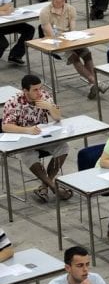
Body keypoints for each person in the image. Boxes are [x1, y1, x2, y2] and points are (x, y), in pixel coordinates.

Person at [3, 74, 70, 202]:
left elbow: (58, 117)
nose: (39, 92)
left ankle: (45, 186)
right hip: (22, 140)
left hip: (42, 136)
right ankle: (54, 187)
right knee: (28, 155)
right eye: (35, 90)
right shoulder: (13, 102)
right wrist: (27, 130)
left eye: (40, 88)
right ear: (25, 91)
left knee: (63, 147)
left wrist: (49, 107)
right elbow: (6, 126)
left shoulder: (44, 97)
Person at [39, 0, 104, 99]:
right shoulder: (45, 12)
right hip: (54, 43)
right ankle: (95, 81)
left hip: (70, 39)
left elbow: (73, 29)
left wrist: (74, 38)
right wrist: (65, 40)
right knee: (74, 57)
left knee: (87, 53)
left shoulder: (71, 9)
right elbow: (50, 34)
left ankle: (92, 85)